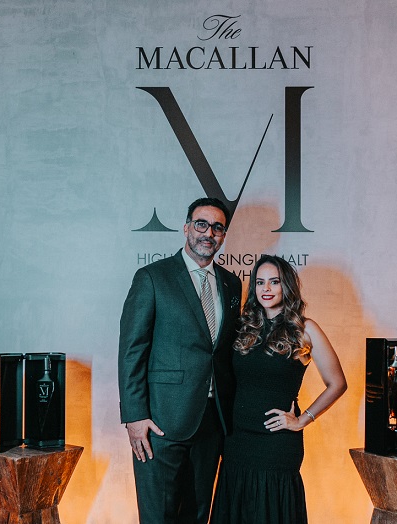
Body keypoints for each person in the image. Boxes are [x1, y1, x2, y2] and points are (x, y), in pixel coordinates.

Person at [118, 198, 242, 524]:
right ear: (186, 228)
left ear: (223, 235)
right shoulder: (152, 277)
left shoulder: (231, 283)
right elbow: (132, 350)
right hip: (161, 422)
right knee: (158, 516)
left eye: (217, 228)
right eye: (201, 224)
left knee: (198, 515)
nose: (208, 233)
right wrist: (135, 416)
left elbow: (224, 352)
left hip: (213, 422)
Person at [211, 255, 347, 524]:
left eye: (274, 282)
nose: (266, 289)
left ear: (287, 285)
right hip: (237, 441)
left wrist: (303, 419)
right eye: (260, 282)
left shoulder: (305, 329)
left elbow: (337, 383)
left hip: (277, 444)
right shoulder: (243, 327)